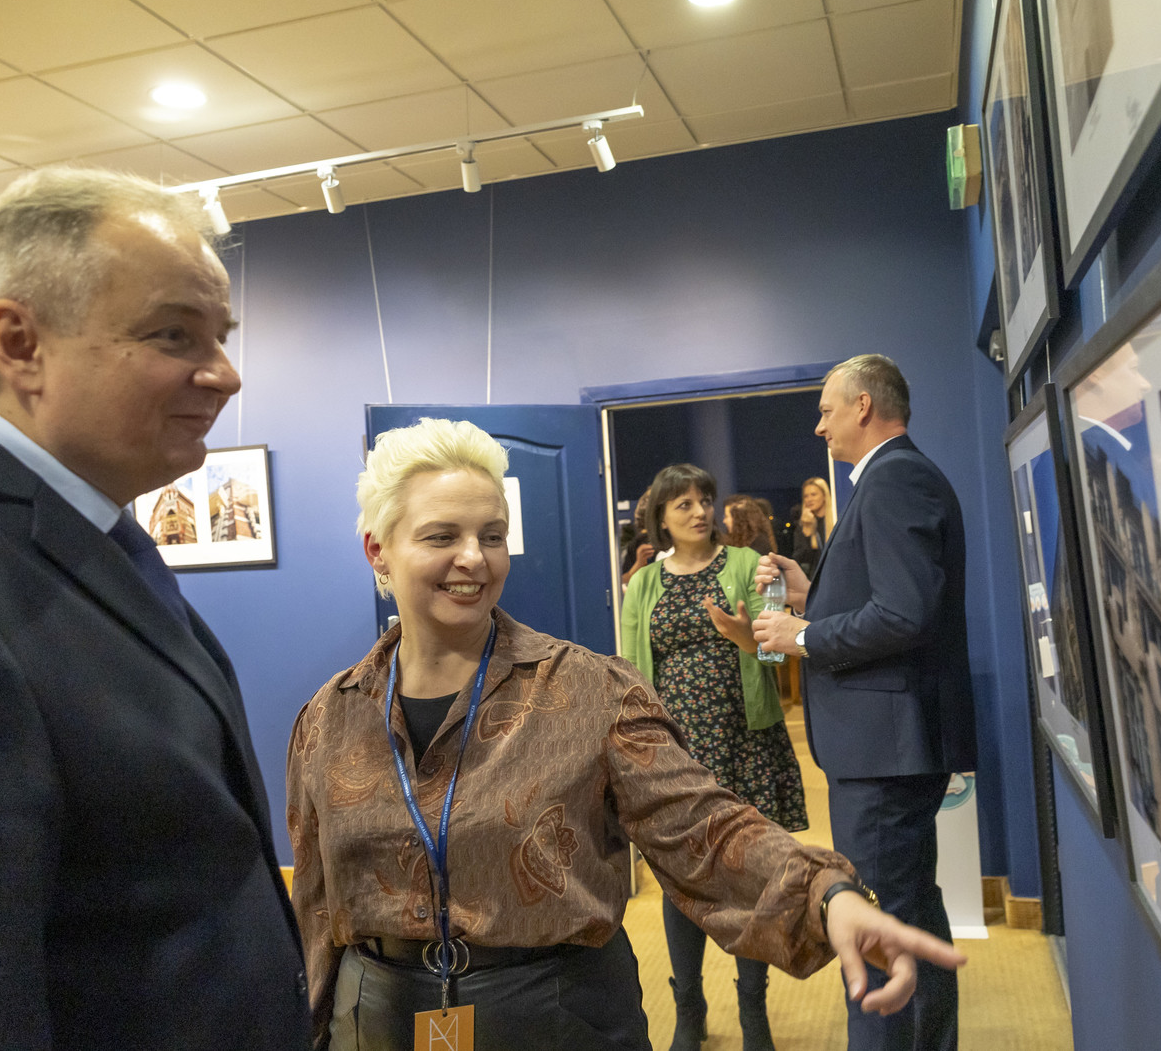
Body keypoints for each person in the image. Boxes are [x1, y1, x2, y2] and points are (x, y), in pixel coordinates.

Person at [287, 418, 965, 1051]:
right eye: (441, 537)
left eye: (492, 536)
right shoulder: (328, 719)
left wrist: (827, 898)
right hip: (376, 1020)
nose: (475, 558)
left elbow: (702, 828)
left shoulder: (589, 691)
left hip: (557, 1015)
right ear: (378, 550)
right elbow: (316, 908)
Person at [0, 168, 309, 1049]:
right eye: (174, 333)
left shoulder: (90, 534)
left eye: (220, 336)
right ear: (20, 343)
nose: (224, 374)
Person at [752, 355, 976, 1051]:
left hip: (885, 751)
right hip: (885, 748)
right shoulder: (891, 478)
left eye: (826, 410)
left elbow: (904, 615)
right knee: (909, 917)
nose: (819, 425)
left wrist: (802, 635)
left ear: (863, 406)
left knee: (877, 931)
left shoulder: (895, 478)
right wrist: (809, 593)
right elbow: (889, 600)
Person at [622, 465, 808, 1051]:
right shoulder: (642, 584)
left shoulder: (750, 566)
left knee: (750, 879)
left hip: (745, 744)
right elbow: (633, 677)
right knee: (682, 880)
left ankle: (754, 1009)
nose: (700, 511)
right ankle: (689, 1009)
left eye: (705, 499)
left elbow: (777, 657)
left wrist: (746, 638)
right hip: (677, 756)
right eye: (684, 504)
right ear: (661, 517)